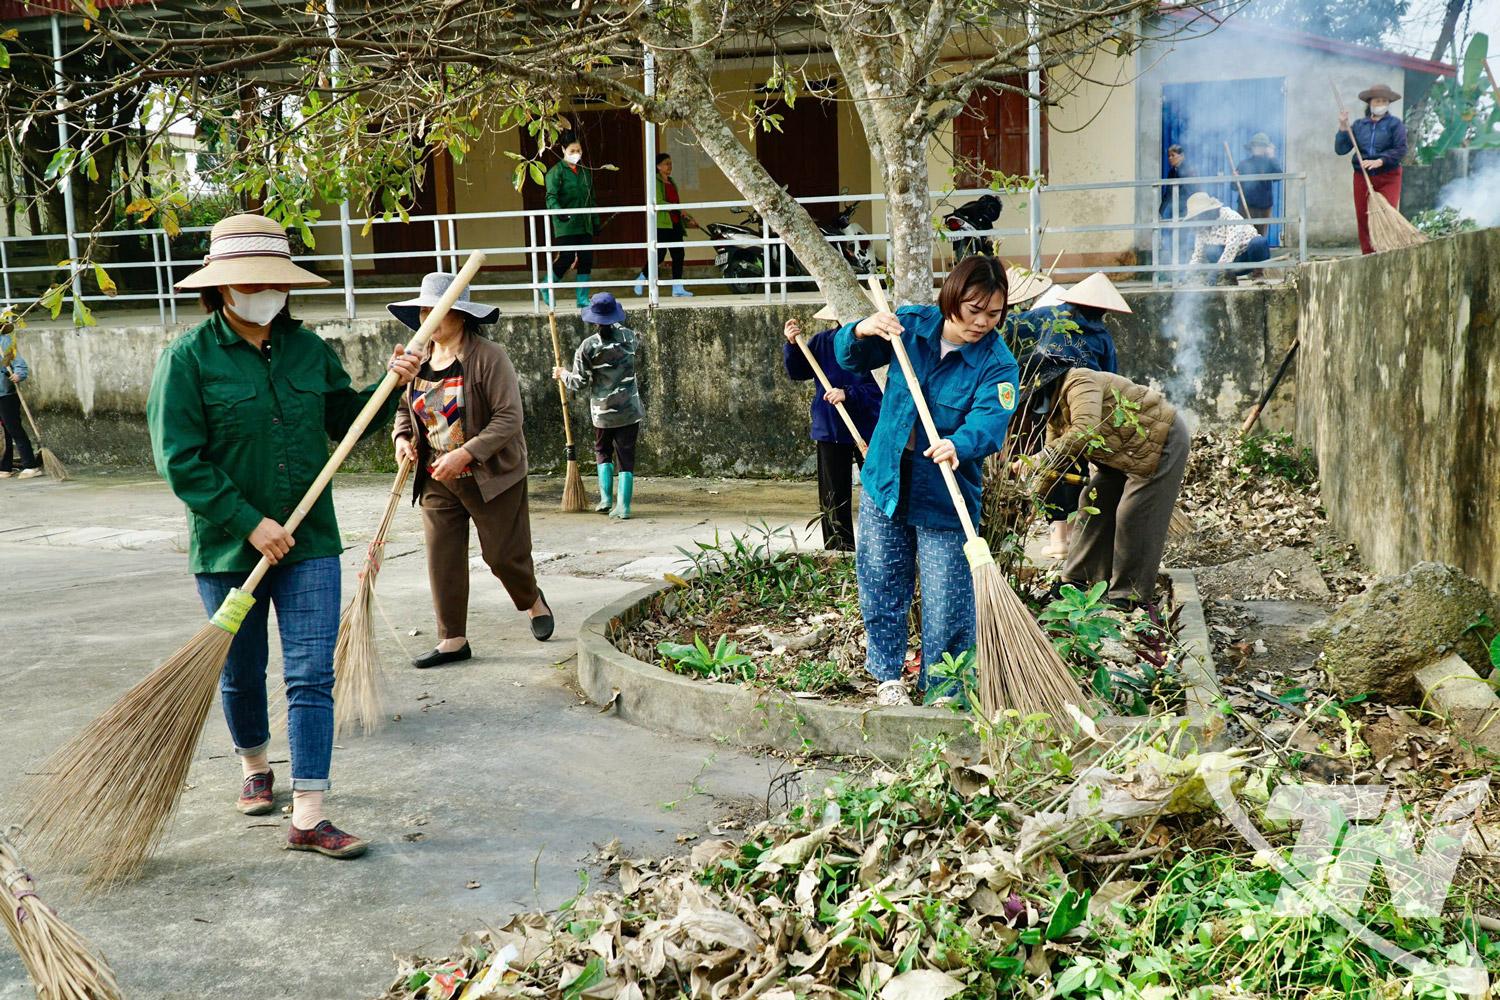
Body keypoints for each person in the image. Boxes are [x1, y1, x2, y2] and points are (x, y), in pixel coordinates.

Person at [147, 213, 422, 860]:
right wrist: (250, 523)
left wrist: (392, 386)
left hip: (311, 546)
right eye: (250, 281)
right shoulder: (186, 362)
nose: (265, 291)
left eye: (276, 280)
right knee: (240, 673)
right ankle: (254, 765)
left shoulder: (307, 351)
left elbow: (344, 420)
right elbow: (180, 461)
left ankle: (310, 814)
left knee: (309, 675)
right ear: (219, 290)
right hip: (226, 551)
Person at [834, 256, 1019, 707]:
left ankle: (944, 689)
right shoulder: (912, 326)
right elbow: (848, 358)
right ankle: (887, 676)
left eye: (993, 314)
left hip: (944, 494)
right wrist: (861, 329)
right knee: (881, 581)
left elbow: (990, 420)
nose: (981, 323)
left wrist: (960, 443)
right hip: (887, 481)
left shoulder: (997, 363)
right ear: (951, 299)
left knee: (948, 599)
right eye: (973, 310)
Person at [390, 272, 554, 671]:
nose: (427, 317)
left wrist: (465, 454)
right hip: (436, 477)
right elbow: (401, 408)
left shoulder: (488, 357)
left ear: (460, 315)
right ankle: (452, 639)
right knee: (441, 558)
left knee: (502, 556)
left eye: (436, 310)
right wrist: (400, 439)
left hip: (490, 475)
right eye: (424, 310)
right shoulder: (419, 358)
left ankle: (531, 598)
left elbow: (508, 417)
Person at [1012, 352, 1189, 608]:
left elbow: (1084, 429)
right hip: (1121, 455)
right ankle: (1078, 580)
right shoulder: (1056, 410)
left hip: (1160, 441)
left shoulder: (1079, 382)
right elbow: (1057, 460)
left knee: (1134, 514)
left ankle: (1128, 595)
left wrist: (1037, 459)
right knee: (1092, 503)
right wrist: (1035, 494)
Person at [1004, 272, 1129, 558]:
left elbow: (1008, 329)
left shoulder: (1047, 316)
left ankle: (1060, 535)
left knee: (1051, 461)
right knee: (1072, 463)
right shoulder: (1102, 337)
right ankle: (1068, 536)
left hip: (1043, 399)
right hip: (1078, 405)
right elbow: (1111, 380)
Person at [782, 308, 882, 551]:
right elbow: (798, 371)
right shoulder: (822, 341)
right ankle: (839, 550)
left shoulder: (877, 344)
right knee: (833, 494)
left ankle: (880, 546)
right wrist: (793, 344)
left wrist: (848, 393)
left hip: (869, 426)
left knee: (878, 490)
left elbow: (882, 388)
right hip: (831, 425)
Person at [553, 292, 643, 520]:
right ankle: (623, 506)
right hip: (630, 411)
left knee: (603, 451)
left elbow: (578, 382)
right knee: (626, 457)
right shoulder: (630, 337)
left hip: (603, 413)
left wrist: (562, 373)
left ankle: (605, 500)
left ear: (594, 320)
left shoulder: (588, 347)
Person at [1335, 84, 1408, 255]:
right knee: (1363, 216)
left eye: (1384, 101)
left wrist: (1381, 161)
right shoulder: (1359, 125)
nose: (1380, 103)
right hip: (1362, 176)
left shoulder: (1395, 124)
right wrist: (1342, 128)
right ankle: (1368, 254)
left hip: (1388, 175)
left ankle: (1387, 250)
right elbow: (1341, 149)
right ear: (1370, 103)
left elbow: (1401, 149)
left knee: (1386, 214)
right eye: (1377, 100)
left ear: (1388, 103)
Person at [544, 130, 599, 307]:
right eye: (572, 151)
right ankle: (546, 286)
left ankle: (582, 299)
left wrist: (595, 221)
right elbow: (551, 197)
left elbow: (591, 198)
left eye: (579, 151)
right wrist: (559, 212)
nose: (577, 154)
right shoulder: (556, 172)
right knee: (567, 257)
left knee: (586, 259)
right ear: (563, 151)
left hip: (585, 223)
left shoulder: (585, 171)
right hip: (566, 223)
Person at [633, 153, 697, 299]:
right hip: (663, 224)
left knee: (679, 255)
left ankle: (677, 288)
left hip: (675, 223)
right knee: (659, 255)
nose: (670, 166)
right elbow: (659, 203)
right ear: (658, 166)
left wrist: (689, 218)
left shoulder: (672, 181)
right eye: (667, 163)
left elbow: (677, 205)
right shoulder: (655, 181)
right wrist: (677, 208)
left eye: (670, 163)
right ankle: (642, 279)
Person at [1184, 192, 1269, 280]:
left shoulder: (1230, 217)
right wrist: (1188, 274)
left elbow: (1232, 246)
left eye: (1200, 216)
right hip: (1228, 265)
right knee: (1210, 250)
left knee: (1258, 243)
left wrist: (1216, 271)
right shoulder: (1202, 229)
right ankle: (1228, 277)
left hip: (1246, 258)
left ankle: (1257, 274)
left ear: (1208, 212)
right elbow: (1198, 256)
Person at [0, 325, 43, 480]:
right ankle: (5, 467)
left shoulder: (4, 342)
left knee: (13, 429)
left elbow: (19, 364)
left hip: (6, 394)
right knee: (3, 432)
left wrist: (18, 374)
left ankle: (31, 465)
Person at [1237, 132, 1282, 237]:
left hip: (1264, 206)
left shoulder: (1270, 162)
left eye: (1262, 146)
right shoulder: (1244, 164)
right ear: (1252, 147)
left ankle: (1259, 253)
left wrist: (1272, 156)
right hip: (1246, 206)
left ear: (1266, 148)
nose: (1258, 148)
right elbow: (1234, 187)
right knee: (1244, 236)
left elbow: (1279, 176)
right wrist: (1235, 179)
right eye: (1256, 145)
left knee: (1260, 236)